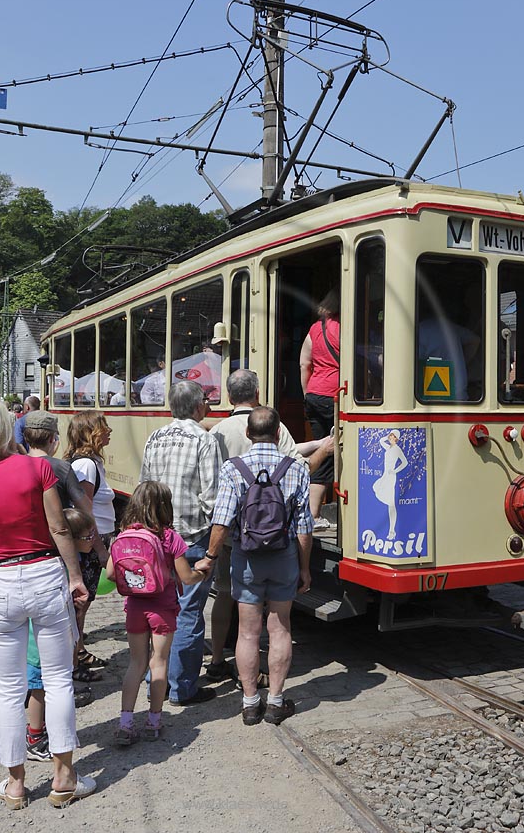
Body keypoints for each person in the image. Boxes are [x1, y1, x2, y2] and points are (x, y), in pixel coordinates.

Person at [0, 395, 96, 810]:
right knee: (57, 678)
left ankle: (15, 783)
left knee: (9, 686)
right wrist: (74, 577)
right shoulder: (39, 467)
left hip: (1, 580)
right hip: (44, 574)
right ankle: (64, 776)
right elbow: (58, 527)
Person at [206, 368, 334, 680]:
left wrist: (210, 551)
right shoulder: (276, 426)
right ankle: (271, 687)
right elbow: (297, 465)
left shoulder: (217, 432)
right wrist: (323, 448)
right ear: (257, 393)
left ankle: (219, 661)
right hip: (277, 541)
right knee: (275, 619)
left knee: (226, 598)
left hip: (234, 539)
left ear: (229, 395)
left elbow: (213, 491)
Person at [197, 406, 313, 726]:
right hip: (284, 556)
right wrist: (304, 568)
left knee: (248, 633)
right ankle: (275, 701)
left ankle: (250, 703)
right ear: (278, 434)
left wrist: (210, 555)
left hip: (245, 557)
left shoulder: (234, 468)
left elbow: (221, 521)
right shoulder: (296, 468)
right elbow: (304, 529)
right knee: (280, 628)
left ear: (248, 434)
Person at [139, 379, 221, 706]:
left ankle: (155, 679)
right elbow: (211, 496)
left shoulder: (154, 438)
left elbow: (144, 489)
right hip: (191, 539)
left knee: (160, 611)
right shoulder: (204, 440)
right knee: (188, 614)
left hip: (158, 538)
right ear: (198, 405)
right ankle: (182, 688)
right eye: (205, 401)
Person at [106, 481, 207, 744]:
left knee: (136, 664)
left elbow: (109, 573)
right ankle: (153, 722)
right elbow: (186, 576)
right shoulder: (170, 537)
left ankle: (126, 724)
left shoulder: (123, 536)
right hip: (162, 609)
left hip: (135, 608)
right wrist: (202, 571)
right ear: (165, 507)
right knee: (158, 662)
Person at [23, 410, 99, 702]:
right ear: (54, 439)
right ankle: (63, 683)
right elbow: (85, 509)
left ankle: (35, 688)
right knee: (64, 624)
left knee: (32, 632)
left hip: (27, 555)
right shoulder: (61, 468)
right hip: (60, 554)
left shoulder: (14, 466)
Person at [65, 410, 116, 680]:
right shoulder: (85, 466)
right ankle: (74, 663)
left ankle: (79, 650)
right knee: (80, 604)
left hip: (94, 541)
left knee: (83, 604)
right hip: (89, 545)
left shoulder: (91, 462)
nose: (109, 431)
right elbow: (83, 512)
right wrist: (99, 548)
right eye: (103, 426)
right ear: (90, 432)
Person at [299, 289, 340, 530]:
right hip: (336, 395)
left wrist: (307, 395)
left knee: (324, 451)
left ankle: (313, 514)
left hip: (314, 394)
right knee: (344, 452)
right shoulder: (346, 326)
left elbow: (305, 363)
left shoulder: (315, 329)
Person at [372, 431, 409, 539]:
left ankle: (392, 530)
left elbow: (405, 462)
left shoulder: (397, 449)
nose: (391, 437)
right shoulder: (389, 448)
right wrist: (387, 435)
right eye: (391, 435)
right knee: (381, 494)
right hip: (385, 476)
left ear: (396, 438)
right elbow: (380, 440)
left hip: (390, 477)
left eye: (393, 436)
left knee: (391, 505)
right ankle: (388, 528)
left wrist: (395, 471)